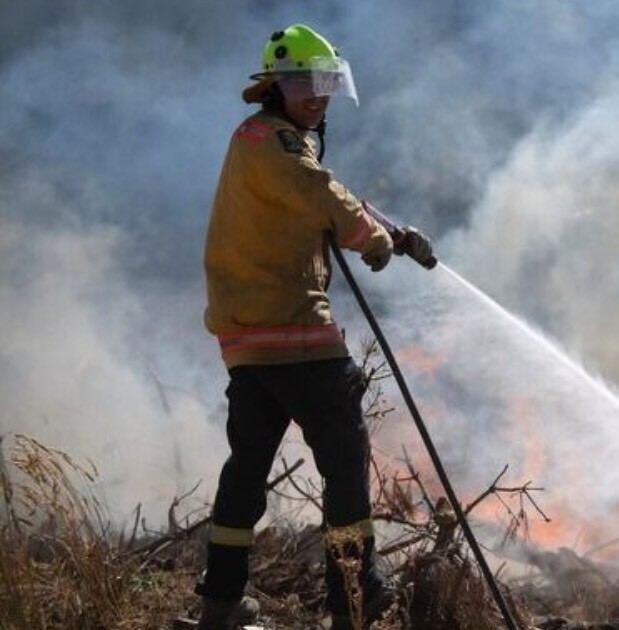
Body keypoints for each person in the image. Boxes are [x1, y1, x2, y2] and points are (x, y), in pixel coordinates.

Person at [196, 24, 434, 629]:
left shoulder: (265, 141)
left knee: (246, 471)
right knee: (346, 461)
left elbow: (328, 193)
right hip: (293, 329)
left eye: (326, 83)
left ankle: (221, 603)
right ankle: (353, 597)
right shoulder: (272, 141)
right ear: (275, 85)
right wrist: (372, 240)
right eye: (304, 83)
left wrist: (395, 233)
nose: (318, 95)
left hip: (250, 338)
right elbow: (319, 192)